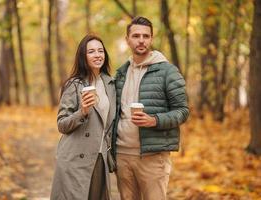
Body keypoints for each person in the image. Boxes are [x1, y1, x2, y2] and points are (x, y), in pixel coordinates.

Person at [112, 16, 189, 200]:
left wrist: (154, 120)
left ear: (151, 39)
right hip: (122, 155)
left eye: (146, 36)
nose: (141, 40)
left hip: (153, 157)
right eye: (136, 35)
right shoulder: (121, 73)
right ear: (127, 39)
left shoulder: (168, 71)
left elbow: (183, 111)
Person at [50, 34, 116, 200]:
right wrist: (83, 111)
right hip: (75, 160)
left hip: (99, 158)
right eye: (91, 51)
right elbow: (62, 124)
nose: (97, 55)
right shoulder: (74, 85)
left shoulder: (110, 84)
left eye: (101, 51)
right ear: (83, 56)